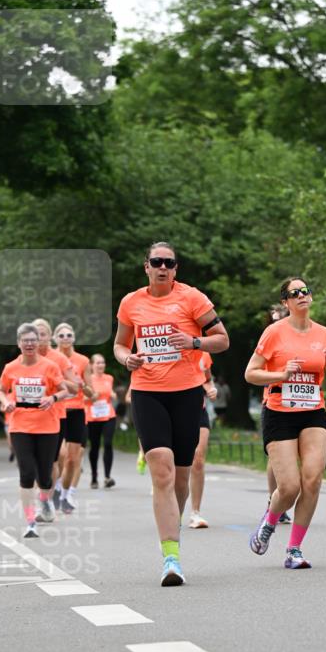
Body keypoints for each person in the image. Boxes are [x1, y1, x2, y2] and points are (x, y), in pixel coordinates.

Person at [113, 240, 230, 586]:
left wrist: (194, 342)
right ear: (146, 266)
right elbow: (119, 344)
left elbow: (222, 339)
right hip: (148, 392)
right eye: (156, 262)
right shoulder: (131, 302)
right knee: (161, 471)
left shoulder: (193, 298)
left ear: (175, 268)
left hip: (186, 394)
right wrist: (126, 358)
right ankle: (171, 559)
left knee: (180, 477)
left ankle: (172, 525)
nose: (162, 267)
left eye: (169, 262)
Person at [245, 276, 326, 569]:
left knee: (313, 479)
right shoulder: (274, 332)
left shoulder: (325, 334)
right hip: (279, 411)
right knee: (289, 487)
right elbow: (250, 373)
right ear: (285, 302)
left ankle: (294, 550)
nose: (302, 295)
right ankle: (269, 522)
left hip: (313, 411)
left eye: (305, 291)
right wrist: (281, 375)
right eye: (295, 293)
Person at [0, 324, 70, 537]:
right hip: (20, 425)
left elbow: (65, 390)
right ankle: (30, 522)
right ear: (19, 343)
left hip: (48, 426)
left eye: (32, 340)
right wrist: (5, 402)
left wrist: (52, 398)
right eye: (25, 340)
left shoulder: (50, 366)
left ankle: (45, 500)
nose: (29, 344)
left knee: (45, 476)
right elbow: (1, 390)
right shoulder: (10, 368)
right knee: (27, 472)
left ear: (38, 342)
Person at [33, 318, 77, 515]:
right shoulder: (26, 358)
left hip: (55, 416)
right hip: (31, 417)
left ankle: (47, 499)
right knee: (37, 460)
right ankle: (43, 499)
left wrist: (56, 384)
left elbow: (75, 387)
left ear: (50, 336)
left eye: (42, 334)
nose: (38, 338)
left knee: (54, 459)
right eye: (35, 334)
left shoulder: (59, 359)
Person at [53, 323, 93, 514]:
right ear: (55, 338)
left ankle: (65, 494)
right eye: (61, 335)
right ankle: (56, 487)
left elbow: (92, 393)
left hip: (76, 412)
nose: (65, 338)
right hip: (56, 411)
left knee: (72, 459)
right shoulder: (50, 358)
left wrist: (83, 386)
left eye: (69, 335)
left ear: (74, 338)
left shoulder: (83, 361)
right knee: (60, 455)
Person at [264, 304, 291, 524]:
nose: (276, 323)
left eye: (279, 318)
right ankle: (274, 501)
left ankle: (281, 499)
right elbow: (255, 371)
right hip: (273, 401)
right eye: (273, 319)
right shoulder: (268, 339)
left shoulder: (298, 338)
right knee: (275, 458)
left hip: (300, 404)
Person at [188, 351, 218, 528]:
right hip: (174, 412)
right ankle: (173, 509)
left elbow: (207, 379)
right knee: (175, 462)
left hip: (199, 410)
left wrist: (211, 389)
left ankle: (195, 513)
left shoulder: (203, 354)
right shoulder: (170, 348)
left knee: (198, 460)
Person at [85, 353, 118, 489]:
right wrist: (91, 398)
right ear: (91, 365)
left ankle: (107, 477)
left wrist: (113, 394)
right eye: (98, 363)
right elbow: (81, 399)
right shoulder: (88, 380)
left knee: (108, 443)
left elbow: (110, 393)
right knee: (95, 446)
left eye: (103, 362)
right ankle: (94, 478)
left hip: (108, 415)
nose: (101, 365)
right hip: (93, 417)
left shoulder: (109, 378)